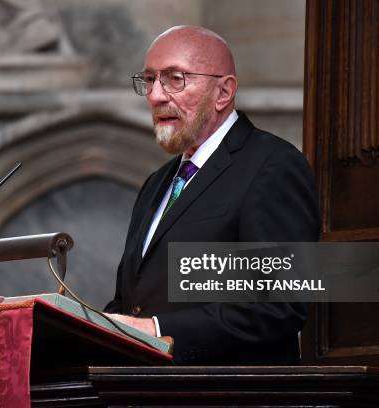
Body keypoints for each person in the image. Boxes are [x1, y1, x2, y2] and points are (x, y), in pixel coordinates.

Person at [103, 26, 319, 365]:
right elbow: (130, 303)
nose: (156, 95)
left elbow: (280, 306)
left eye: (175, 79)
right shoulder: (157, 183)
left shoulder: (272, 166)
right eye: (149, 80)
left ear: (223, 92)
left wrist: (157, 329)